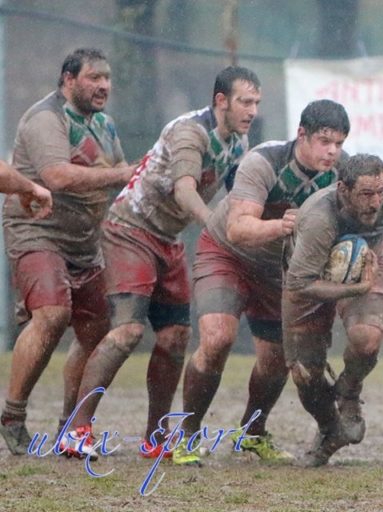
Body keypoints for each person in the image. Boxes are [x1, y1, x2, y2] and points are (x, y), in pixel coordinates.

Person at [59, 66, 261, 459]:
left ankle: (155, 438)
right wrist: (216, 226)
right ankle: (76, 430)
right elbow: (185, 190)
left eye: (256, 102)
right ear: (221, 101)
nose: (252, 110)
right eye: (245, 101)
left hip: (167, 240)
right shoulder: (190, 132)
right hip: (129, 230)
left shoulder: (238, 142)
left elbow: (244, 194)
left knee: (175, 338)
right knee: (129, 331)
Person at [174, 99, 350, 465]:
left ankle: (252, 433)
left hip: (278, 271)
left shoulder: (344, 172)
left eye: (339, 142)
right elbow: (238, 229)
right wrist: (284, 225)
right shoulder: (264, 161)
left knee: (275, 361)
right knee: (217, 338)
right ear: (302, 134)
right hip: (227, 254)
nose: (332, 151)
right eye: (324, 140)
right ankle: (187, 436)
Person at [0, 48, 131, 456]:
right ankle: (12, 414)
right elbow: (56, 176)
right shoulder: (46, 118)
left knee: (97, 330)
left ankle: (71, 426)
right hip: (36, 231)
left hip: (84, 240)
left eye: (107, 78)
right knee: (53, 315)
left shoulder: (105, 125)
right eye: (94, 77)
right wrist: (121, 175)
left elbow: (125, 178)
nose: (104, 85)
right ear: (68, 80)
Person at [282, 153, 383, 467]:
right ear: (343, 189)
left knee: (367, 338)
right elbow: (300, 284)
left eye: (379, 193)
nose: (375, 202)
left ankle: (350, 391)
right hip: (308, 276)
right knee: (305, 374)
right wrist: (355, 289)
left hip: (369, 258)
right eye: (366, 194)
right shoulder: (319, 219)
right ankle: (330, 430)